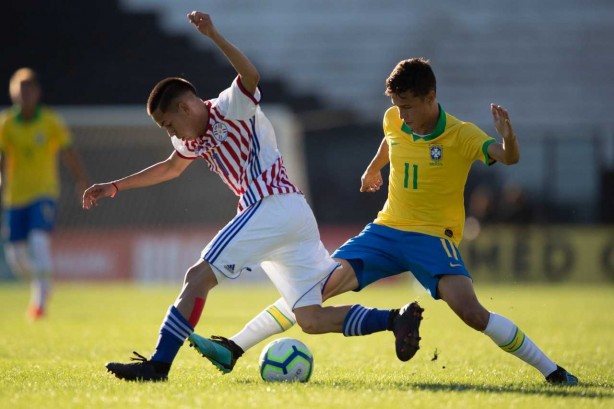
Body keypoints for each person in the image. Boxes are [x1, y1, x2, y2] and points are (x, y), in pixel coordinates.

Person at [187, 58, 578, 385]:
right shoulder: (395, 118)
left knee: (472, 313)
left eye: (408, 105)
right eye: (397, 105)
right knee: (312, 289)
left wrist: (509, 139)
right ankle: (233, 347)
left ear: (430, 97)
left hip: (431, 238)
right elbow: (389, 139)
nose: (402, 115)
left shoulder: (462, 135)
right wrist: (373, 169)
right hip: (385, 230)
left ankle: (553, 372)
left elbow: (508, 158)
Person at [82, 11, 421, 383]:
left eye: (168, 124)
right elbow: (170, 167)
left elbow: (251, 77)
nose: (170, 133)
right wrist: (115, 186)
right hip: (292, 216)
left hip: (270, 205)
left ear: (184, 107)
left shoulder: (231, 106)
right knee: (309, 317)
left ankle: (158, 365)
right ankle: (396, 319)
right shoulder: (189, 139)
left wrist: (214, 35)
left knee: (197, 276)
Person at [0, 68, 89, 320]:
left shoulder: (49, 121)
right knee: (15, 256)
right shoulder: (6, 122)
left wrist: (81, 179)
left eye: (29, 90)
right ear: (13, 93)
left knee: (38, 242)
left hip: (44, 192)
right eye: (20, 90)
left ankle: (39, 301)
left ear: (36, 93)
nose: (25, 95)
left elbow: (68, 151)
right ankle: (42, 284)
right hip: (14, 196)